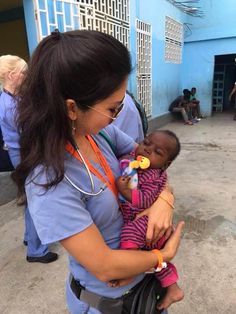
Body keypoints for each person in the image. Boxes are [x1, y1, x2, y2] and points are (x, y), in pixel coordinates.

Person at [12, 30, 184, 314]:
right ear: (71, 108)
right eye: (113, 108)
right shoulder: (49, 181)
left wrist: (164, 201)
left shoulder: (101, 135)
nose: (117, 116)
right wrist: (163, 255)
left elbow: (154, 168)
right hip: (109, 303)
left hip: (146, 289)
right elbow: (105, 267)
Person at [116, 130, 183, 310]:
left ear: (165, 164)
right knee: (157, 258)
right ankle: (173, 287)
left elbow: (145, 200)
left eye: (157, 152)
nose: (147, 150)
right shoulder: (135, 162)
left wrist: (125, 191)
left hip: (145, 221)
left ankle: (131, 269)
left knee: (128, 235)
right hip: (142, 222)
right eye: (146, 143)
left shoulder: (154, 176)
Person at [0, 55, 58, 263]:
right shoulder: (10, 105)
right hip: (25, 154)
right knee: (37, 200)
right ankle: (36, 250)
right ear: (11, 75)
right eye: (24, 72)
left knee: (29, 196)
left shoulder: (11, 98)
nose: (26, 76)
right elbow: (29, 132)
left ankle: (29, 238)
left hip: (23, 152)